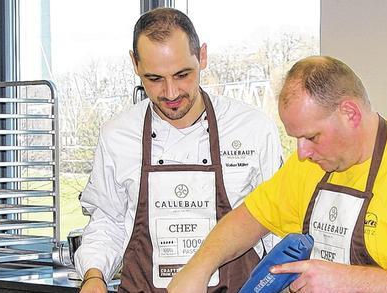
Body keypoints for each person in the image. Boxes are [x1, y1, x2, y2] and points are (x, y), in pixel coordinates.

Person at [168, 56, 387, 292]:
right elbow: (251, 217)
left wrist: (349, 282)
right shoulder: (310, 164)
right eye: (296, 139)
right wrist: (198, 268)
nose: (302, 152)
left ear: (350, 113)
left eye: (312, 137)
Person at [74, 7, 283, 292]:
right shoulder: (117, 135)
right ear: (135, 64)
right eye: (154, 79)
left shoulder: (253, 129)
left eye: (182, 74)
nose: (171, 93)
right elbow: (108, 220)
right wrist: (94, 275)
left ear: (203, 56)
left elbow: (276, 226)